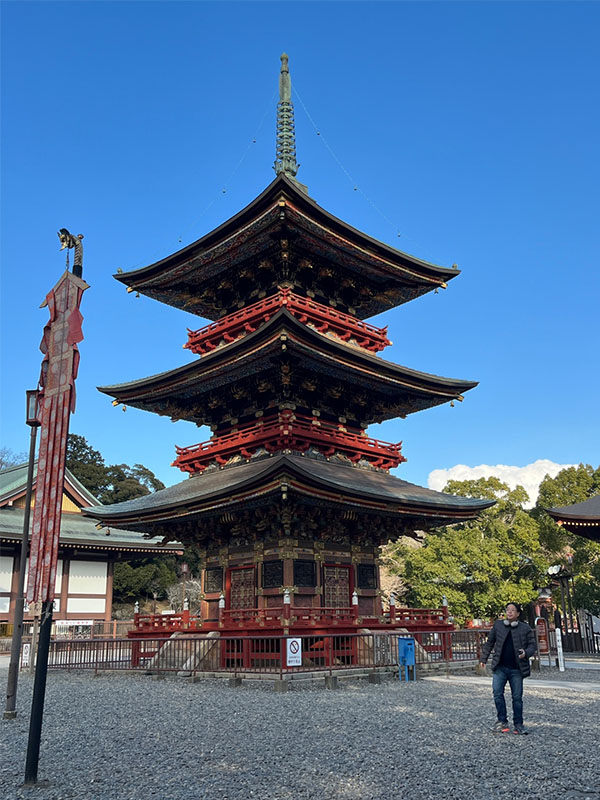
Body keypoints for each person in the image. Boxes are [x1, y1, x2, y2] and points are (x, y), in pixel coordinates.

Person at [479, 602, 537, 735]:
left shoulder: (525, 628)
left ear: (518, 613)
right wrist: (483, 658)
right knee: (497, 693)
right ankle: (502, 721)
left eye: (512, 610)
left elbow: (532, 645)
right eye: (507, 610)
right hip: (500, 667)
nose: (509, 612)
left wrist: (526, 653)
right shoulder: (498, 625)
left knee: (517, 697)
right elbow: (490, 642)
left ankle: (518, 724)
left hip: (517, 668)